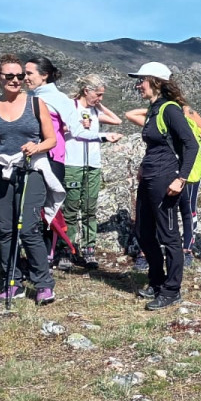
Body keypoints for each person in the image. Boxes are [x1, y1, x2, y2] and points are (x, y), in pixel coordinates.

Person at [0, 55, 59, 304]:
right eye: (10, 76)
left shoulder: (37, 104)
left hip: (30, 169)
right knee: (6, 230)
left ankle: (43, 284)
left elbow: (51, 140)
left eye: (20, 76)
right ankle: (11, 282)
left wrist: (35, 148)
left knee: (28, 228)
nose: (17, 80)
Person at [129, 62, 198, 310]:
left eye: (142, 80)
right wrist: (142, 167)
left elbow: (191, 145)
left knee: (169, 236)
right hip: (149, 177)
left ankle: (172, 289)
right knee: (144, 233)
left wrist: (181, 179)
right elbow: (155, 145)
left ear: (155, 81)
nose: (138, 85)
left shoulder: (170, 110)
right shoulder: (154, 109)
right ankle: (157, 281)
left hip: (165, 180)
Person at [124, 102, 201, 268]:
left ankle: (187, 250)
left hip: (190, 170)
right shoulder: (160, 114)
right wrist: (151, 110)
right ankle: (148, 252)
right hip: (168, 168)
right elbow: (130, 114)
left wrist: (189, 136)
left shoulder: (188, 112)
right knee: (158, 210)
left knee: (188, 209)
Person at [24, 56, 79, 267]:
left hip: (52, 158)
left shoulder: (58, 98)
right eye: (25, 73)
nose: (25, 77)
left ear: (44, 75)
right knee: (32, 208)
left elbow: (76, 127)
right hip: (31, 157)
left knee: (48, 207)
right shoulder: (28, 97)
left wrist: (59, 132)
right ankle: (37, 254)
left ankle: (48, 254)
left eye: (29, 73)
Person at [65, 74, 124, 268]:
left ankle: (89, 250)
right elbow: (60, 128)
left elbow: (117, 120)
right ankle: (68, 249)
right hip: (72, 163)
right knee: (71, 208)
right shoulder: (69, 106)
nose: (100, 98)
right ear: (86, 90)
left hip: (93, 164)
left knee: (90, 208)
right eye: (98, 94)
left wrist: (98, 106)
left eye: (102, 95)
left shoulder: (95, 111)